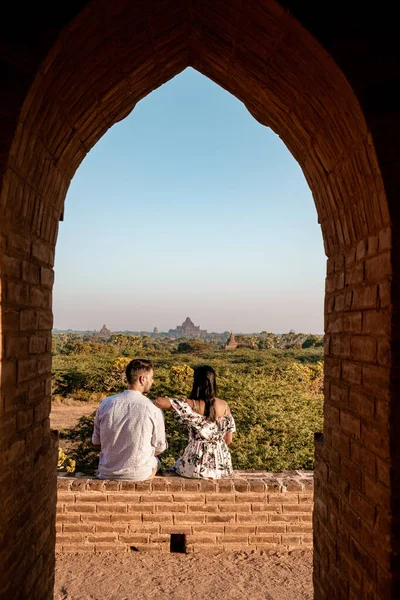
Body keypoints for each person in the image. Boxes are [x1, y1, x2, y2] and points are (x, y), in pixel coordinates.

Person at [155, 365, 235, 479]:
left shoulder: (192, 404)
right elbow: (228, 440)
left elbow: (159, 401)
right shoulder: (225, 406)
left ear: (196, 383)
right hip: (222, 467)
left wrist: (180, 402)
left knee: (175, 465)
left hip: (195, 466)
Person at [92, 358, 167, 480]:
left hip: (106, 472)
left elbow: (96, 442)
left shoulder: (106, 403)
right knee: (156, 462)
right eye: (151, 377)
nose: (152, 381)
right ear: (143, 379)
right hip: (139, 474)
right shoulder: (152, 408)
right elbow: (159, 448)